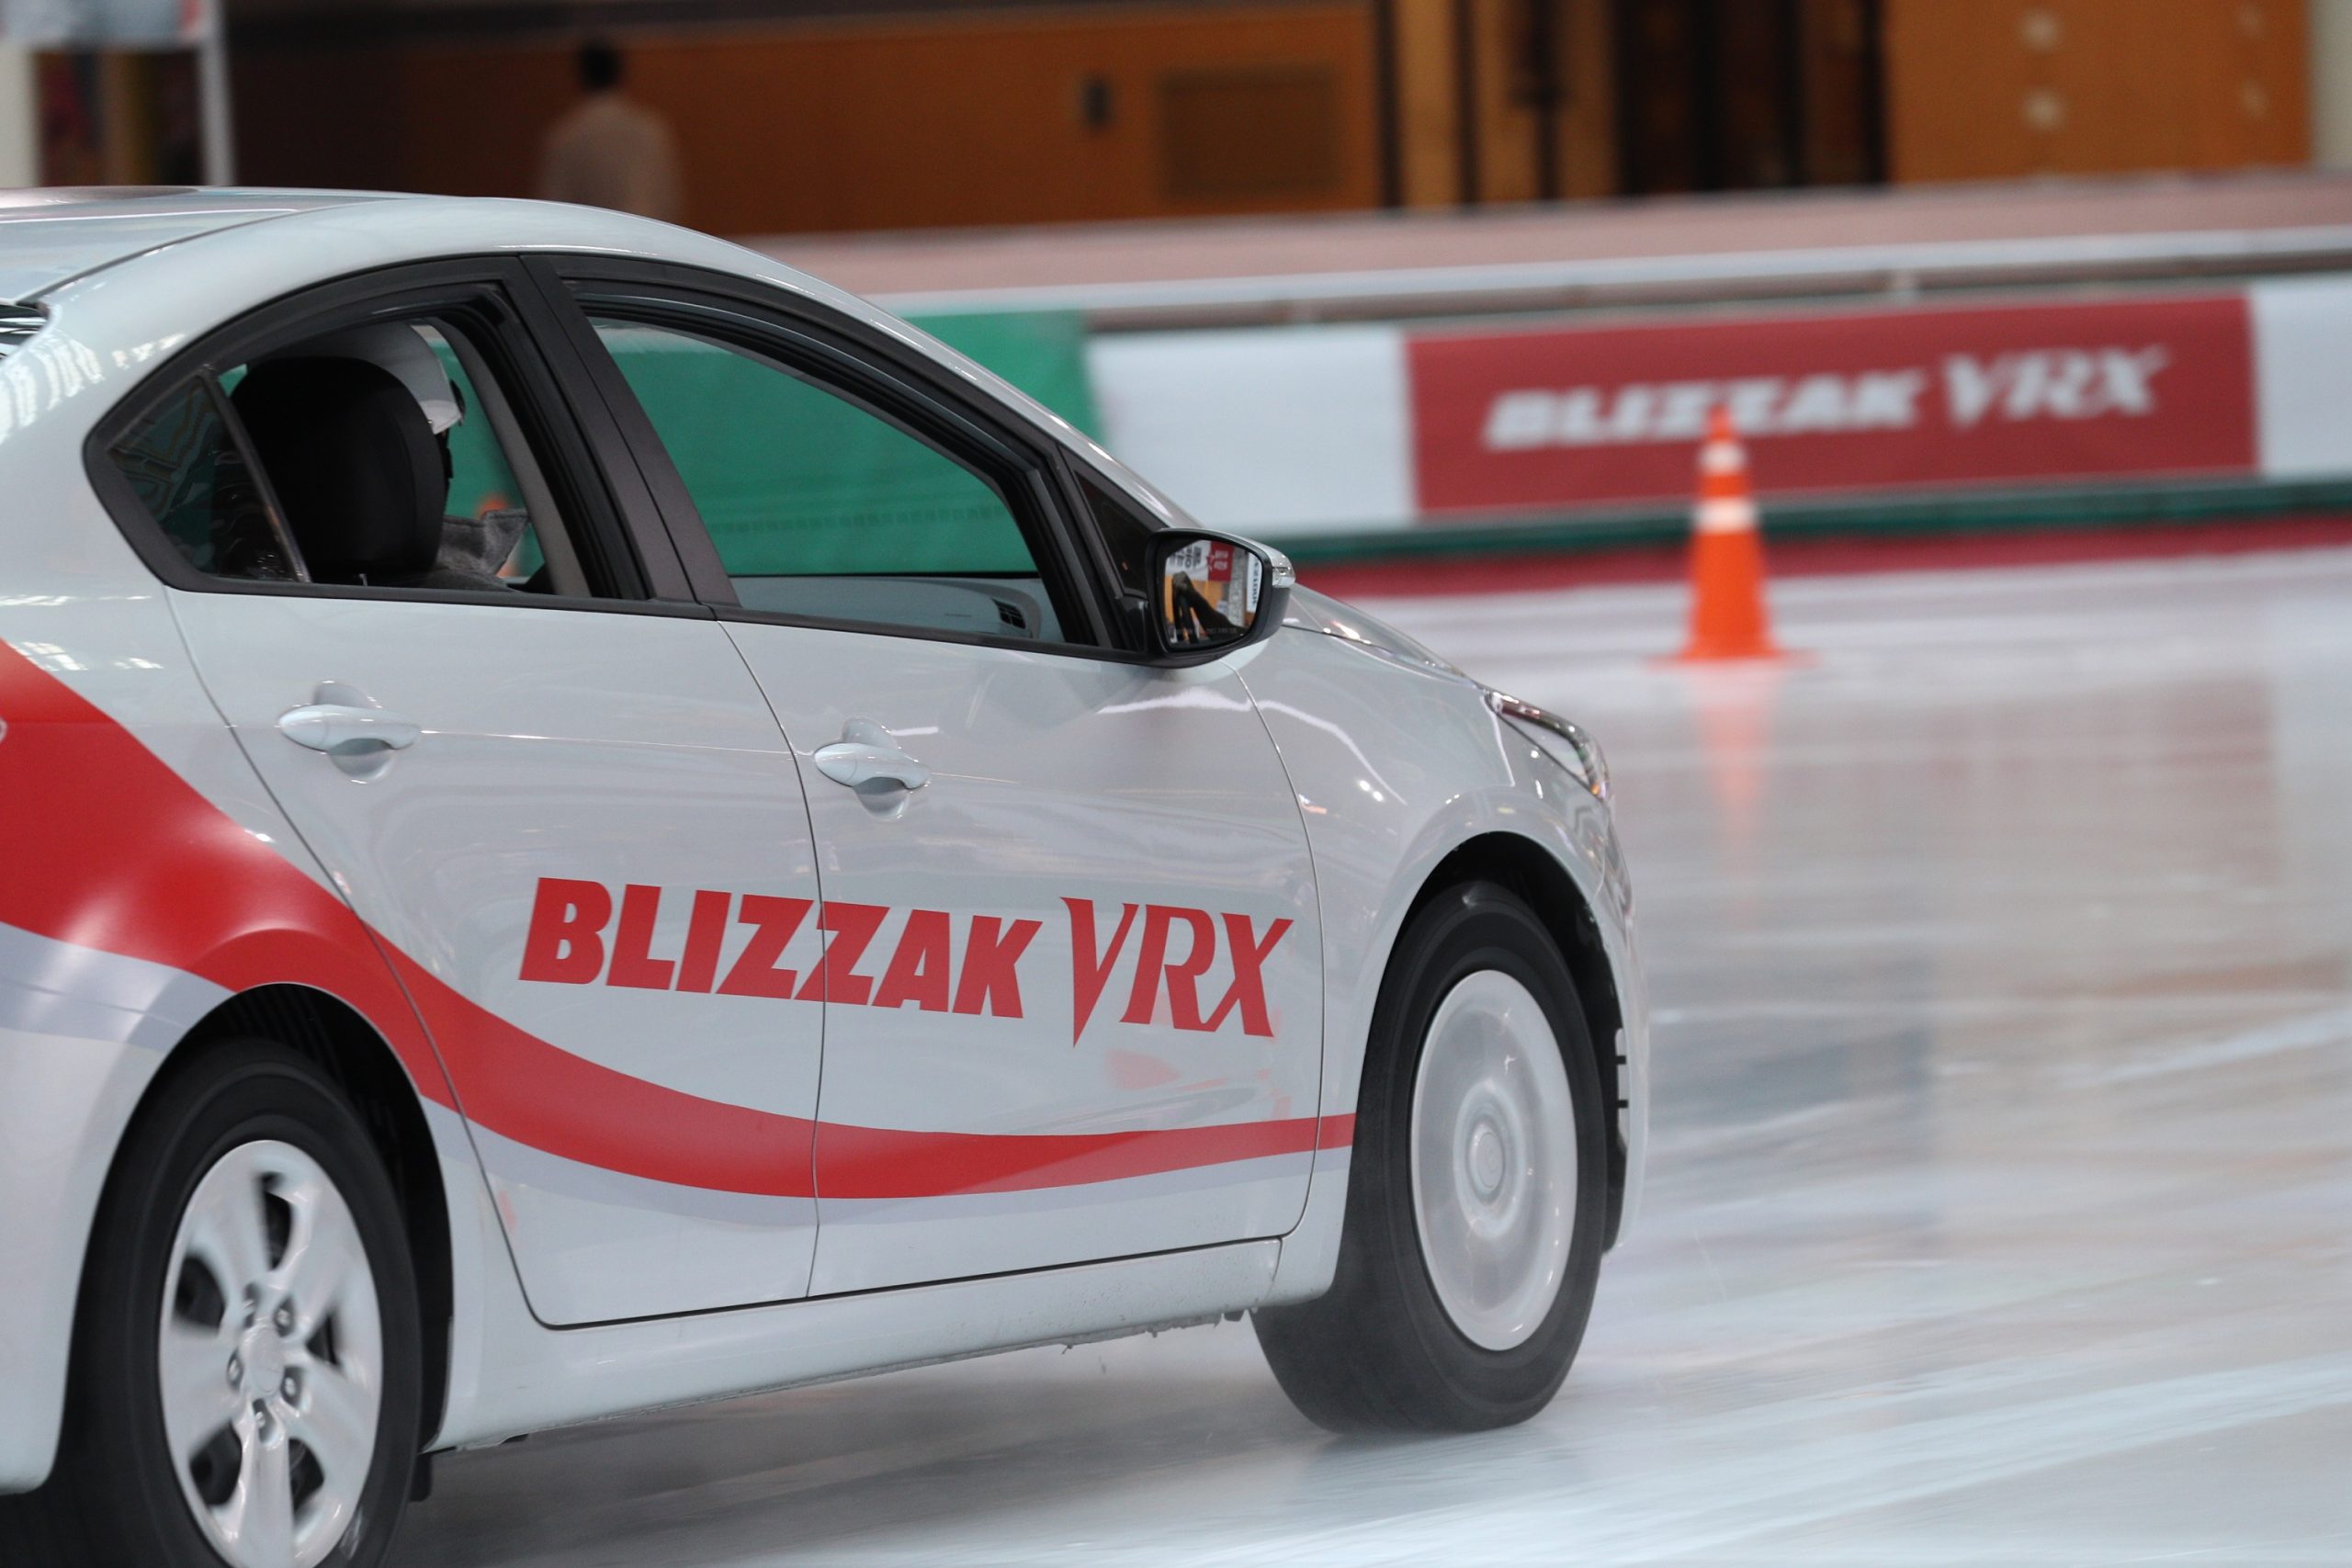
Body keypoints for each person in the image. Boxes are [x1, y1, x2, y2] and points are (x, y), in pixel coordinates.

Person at [536, 39, 683, 223]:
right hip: (646, 237)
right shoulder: (650, 128)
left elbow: (555, 207)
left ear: (581, 74)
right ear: (620, 72)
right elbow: (668, 198)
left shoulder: (566, 135)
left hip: (591, 241)